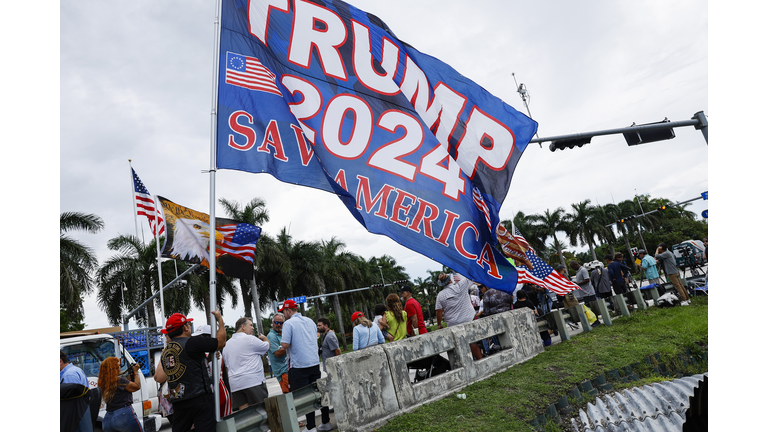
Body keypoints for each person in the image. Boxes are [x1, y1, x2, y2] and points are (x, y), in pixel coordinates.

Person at [160, 310, 226, 432]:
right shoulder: (193, 342)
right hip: (200, 399)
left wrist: (207, 359)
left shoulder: (165, 352)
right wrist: (220, 320)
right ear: (185, 327)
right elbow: (221, 341)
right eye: (188, 324)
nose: (190, 327)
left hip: (179, 403)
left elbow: (186, 365)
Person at [279, 299, 330, 432]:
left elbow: (285, 345)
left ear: (288, 310)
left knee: (306, 397)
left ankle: (311, 427)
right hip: (313, 363)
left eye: (284, 312)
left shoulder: (289, 324)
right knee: (317, 393)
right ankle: (326, 422)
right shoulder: (310, 321)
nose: (284, 315)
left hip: (299, 366)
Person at [222, 317, 270, 411]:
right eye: (251, 325)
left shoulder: (226, 345)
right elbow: (267, 346)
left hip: (235, 384)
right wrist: (265, 338)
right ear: (243, 326)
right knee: (262, 412)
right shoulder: (250, 339)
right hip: (253, 382)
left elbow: (227, 368)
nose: (253, 328)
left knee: (245, 416)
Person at [435, 272, 483, 360]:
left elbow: (439, 311)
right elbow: (470, 275)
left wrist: (439, 324)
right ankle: (481, 359)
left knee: (459, 345)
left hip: (453, 324)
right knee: (472, 342)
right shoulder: (460, 285)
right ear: (450, 280)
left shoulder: (440, 295)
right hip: (468, 319)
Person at [192, 324, 232, 417]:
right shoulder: (205, 353)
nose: (197, 340)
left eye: (200, 337)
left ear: (207, 337)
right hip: (213, 392)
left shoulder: (214, 353)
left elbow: (214, 378)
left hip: (218, 391)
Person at [98, 357, 144, 432]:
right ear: (114, 369)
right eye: (118, 365)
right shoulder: (119, 380)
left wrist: (129, 379)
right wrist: (135, 372)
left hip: (108, 418)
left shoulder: (104, 383)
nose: (120, 367)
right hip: (123, 415)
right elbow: (137, 386)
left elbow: (125, 388)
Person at [60, 350, 94, 432]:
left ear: (60, 361)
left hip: (76, 421)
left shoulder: (69, 375)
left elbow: (70, 405)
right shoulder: (74, 370)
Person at [267, 313, 290, 394]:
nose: (279, 325)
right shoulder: (271, 336)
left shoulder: (284, 332)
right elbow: (277, 353)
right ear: (273, 323)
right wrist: (291, 345)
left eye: (281, 323)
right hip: (282, 371)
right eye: (276, 322)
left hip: (290, 369)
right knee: (289, 394)